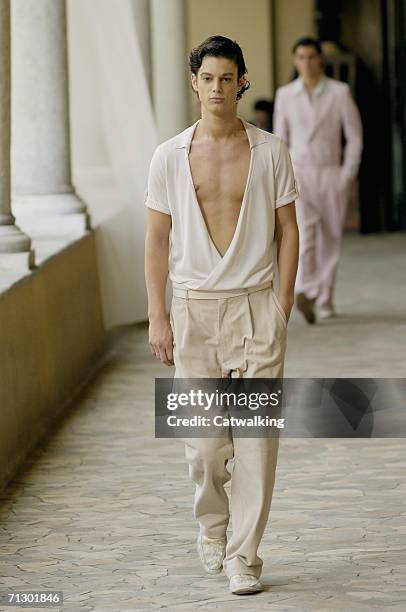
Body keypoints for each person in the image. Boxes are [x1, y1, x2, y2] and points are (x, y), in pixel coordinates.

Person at [144, 35, 299, 595]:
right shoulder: (168, 156)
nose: (216, 88)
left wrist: (280, 307)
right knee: (206, 447)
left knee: (257, 445)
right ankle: (212, 527)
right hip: (194, 313)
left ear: (241, 82)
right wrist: (157, 315)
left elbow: (289, 231)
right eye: (207, 78)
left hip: (257, 308)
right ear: (195, 82)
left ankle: (245, 558)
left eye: (226, 78)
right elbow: (157, 241)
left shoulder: (271, 151)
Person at [273, 37, 363, 322]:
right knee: (305, 233)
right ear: (294, 60)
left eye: (312, 56)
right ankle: (308, 290)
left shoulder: (339, 92)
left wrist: (347, 173)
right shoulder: (286, 95)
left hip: (331, 172)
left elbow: (355, 136)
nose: (307, 62)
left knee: (331, 237)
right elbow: (280, 139)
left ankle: (325, 299)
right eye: (301, 56)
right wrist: (283, 176)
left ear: (320, 59)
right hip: (300, 173)